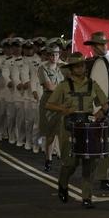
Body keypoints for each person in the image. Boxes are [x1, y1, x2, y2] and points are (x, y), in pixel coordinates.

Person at [45, 52, 109, 208]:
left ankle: (87, 197)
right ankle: (63, 183)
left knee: (89, 162)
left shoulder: (92, 84)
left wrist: (99, 113)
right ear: (71, 69)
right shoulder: (64, 85)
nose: (81, 68)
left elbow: (105, 103)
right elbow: (49, 104)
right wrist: (63, 109)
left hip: (87, 126)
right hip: (69, 126)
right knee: (70, 162)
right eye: (77, 66)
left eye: (82, 65)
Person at [84, 31, 109, 191]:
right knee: (93, 145)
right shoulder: (87, 64)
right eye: (100, 44)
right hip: (92, 109)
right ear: (94, 47)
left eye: (105, 43)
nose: (104, 46)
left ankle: (105, 177)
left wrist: (106, 109)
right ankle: (89, 176)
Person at [38, 44, 65, 172]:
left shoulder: (63, 68)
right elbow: (49, 87)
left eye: (56, 54)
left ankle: (63, 159)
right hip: (49, 102)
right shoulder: (43, 68)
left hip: (61, 103)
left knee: (61, 132)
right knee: (50, 134)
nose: (54, 57)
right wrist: (63, 88)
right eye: (52, 54)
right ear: (48, 56)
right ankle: (48, 159)